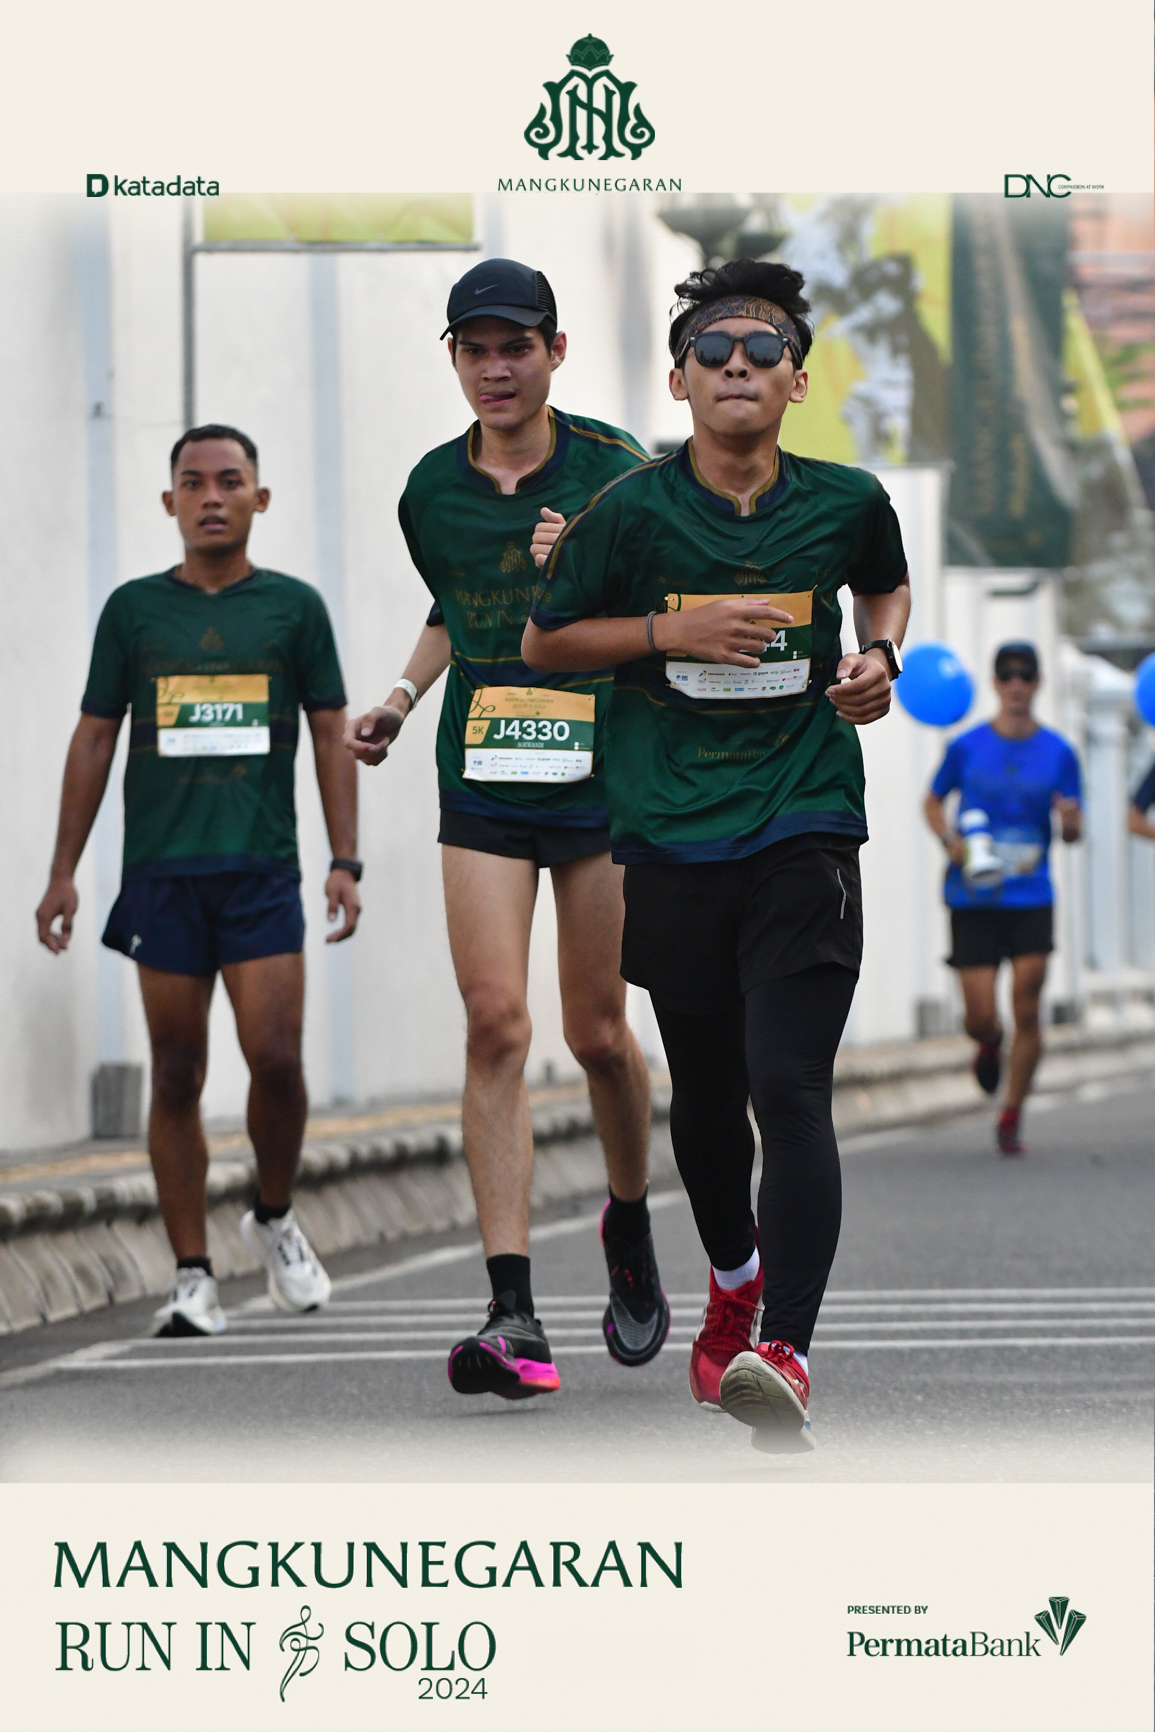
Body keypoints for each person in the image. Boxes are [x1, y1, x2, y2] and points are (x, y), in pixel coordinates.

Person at [521, 257, 911, 1450]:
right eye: (714, 350)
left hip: (804, 817)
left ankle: (782, 1347)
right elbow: (545, 643)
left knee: (789, 1084)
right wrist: (669, 630)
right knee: (705, 1090)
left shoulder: (848, 500)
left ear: (798, 380)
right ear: (680, 380)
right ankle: (734, 1272)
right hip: (674, 829)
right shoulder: (629, 512)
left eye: (764, 349)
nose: (738, 364)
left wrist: (879, 659)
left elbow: (886, 588)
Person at [345, 258, 667, 1401]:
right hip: (484, 775)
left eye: (515, 347)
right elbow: (456, 602)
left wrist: (582, 570)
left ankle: (628, 1216)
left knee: (597, 1033)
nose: (496, 368)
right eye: (475, 349)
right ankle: (512, 1308)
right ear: (454, 359)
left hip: (601, 780)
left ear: (554, 352)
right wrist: (400, 696)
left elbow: (669, 600)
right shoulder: (429, 490)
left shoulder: (618, 469)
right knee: (495, 1022)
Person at [36, 425, 361, 1336]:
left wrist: (344, 860)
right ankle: (192, 1277)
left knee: (278, 1061)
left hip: (260, 872)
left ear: (260, 497)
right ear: (169, 500)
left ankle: (274, 1214)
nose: (211, 496)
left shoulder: (294, 609)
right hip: (163, 875)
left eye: (229, 481)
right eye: (192, 482)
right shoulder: (133, 611)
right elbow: (94, 738)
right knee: (176, 1071)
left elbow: (331, 733)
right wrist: (62, 872)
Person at [924, 641, 1081, 1156]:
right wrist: (949, 840)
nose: (1017, 684)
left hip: (1031, 895)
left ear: (1038, 683)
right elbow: (932, 801)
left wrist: (1071, 822)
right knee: (979, 1015)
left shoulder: (1059, 752)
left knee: (1028, 1005)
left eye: (1026, 675)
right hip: (973, 894)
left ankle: (1012, 1113)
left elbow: (1074, 829)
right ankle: (989, 1043)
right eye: (1007, 675)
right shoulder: (967, 746)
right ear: (995, 683)